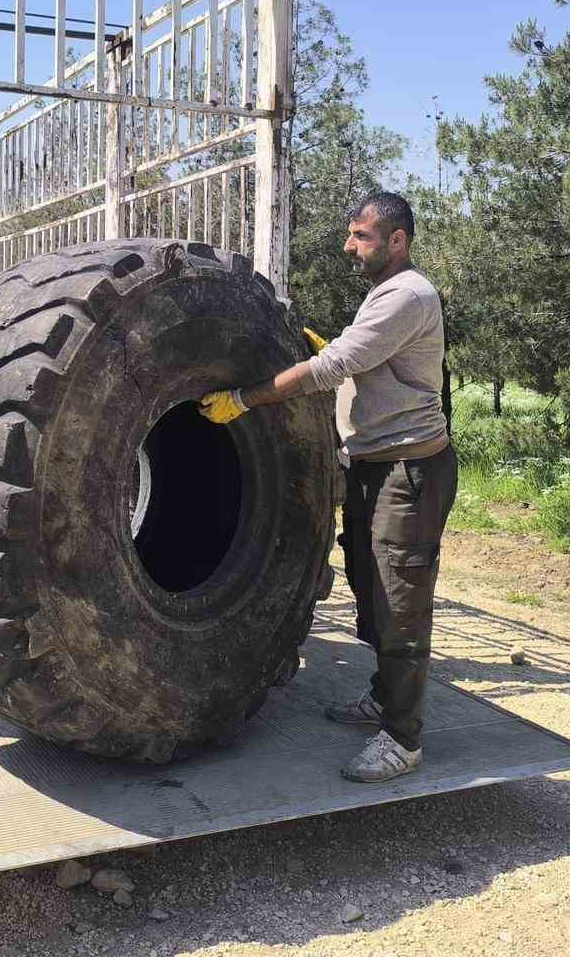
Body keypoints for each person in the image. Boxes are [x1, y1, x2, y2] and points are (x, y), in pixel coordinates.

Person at [198, 191, 456, 783]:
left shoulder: (408, 295)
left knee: (400, 602)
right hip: (372, 465)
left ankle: (403, 737)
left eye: (361, 236)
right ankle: (383, 696)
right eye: (351, 233)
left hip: (407, 473)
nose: (349, 246)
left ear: (398, 240)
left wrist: (244, 399)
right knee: (370, 587)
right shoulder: (385, 293)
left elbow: (330, 369)